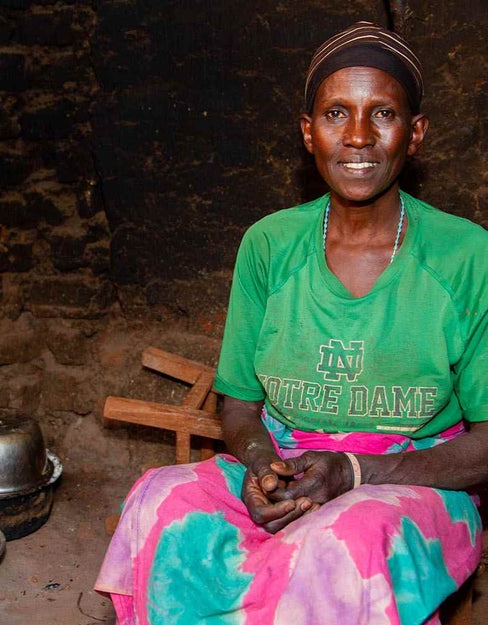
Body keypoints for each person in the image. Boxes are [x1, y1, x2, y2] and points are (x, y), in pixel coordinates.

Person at [95, 22, 487, 624]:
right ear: (309, 133)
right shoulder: (270, 245)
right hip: (289, 463)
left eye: (383, 114)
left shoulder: (466, 256)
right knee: (160, 499)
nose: (358, 136)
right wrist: (260, 466)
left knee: (341, 548)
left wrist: (354, 471)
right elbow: (239, 404)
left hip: (412, 482)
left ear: (415, 133)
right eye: (336, 113)